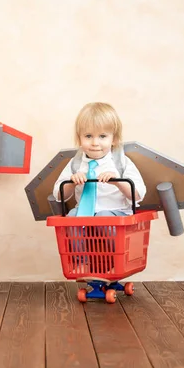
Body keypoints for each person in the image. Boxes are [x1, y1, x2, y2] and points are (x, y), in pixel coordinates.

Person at [52, 102, 147, 273]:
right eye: (88, 136)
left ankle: (116, 261)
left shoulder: (120, 161)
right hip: (85, 213)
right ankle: (83, 262)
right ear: (79, 138)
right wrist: (72, 182)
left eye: (102, 136)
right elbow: (59, 195)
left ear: (114, 139)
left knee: (104, 217)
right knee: (72, 217)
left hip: (116, 212)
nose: (95, 143)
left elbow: (138, 194)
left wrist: (118, 181)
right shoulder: (75, 163)